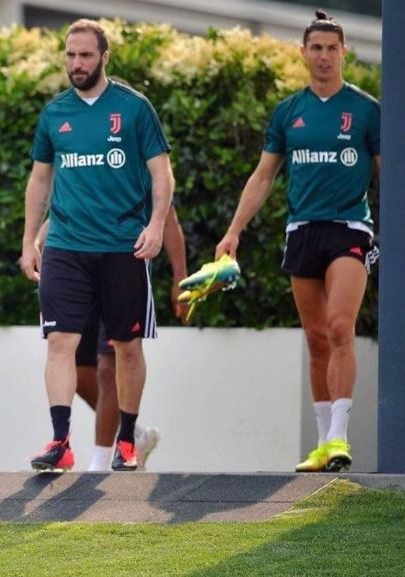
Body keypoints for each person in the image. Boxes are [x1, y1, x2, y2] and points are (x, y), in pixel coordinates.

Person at [215, 10, 380, 473]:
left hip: (350, 228)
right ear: (303, 53)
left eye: (332, 48)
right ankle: (323, 444)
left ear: (344, 52)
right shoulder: (288, 112)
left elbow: (388, 175)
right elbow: (263, 175)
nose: (324, 56)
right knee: (316, 339)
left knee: (340, 327)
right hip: (301, 230)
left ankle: (339, 437)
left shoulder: (366, 110)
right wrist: (233, 231)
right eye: (317, 48)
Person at [20, 19, 175, 472]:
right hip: (66, 247)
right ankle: (59, 442)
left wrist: (156, 225)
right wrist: (29, 240)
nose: (77, 63)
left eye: (85, 55)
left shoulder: (134, 108)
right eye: (70, 55)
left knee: (126, 346)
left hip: (124, 246)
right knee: (59, 342)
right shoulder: (55, 113)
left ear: (104, 57)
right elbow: (40, 179)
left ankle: (128, 440)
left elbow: (162, 172)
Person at [77, 205, 188, 471]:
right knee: (78, 374)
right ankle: (135, 433)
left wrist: (180, 277)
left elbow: (168, 216)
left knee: (108, 368)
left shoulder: (143, 176)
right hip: (80, 265)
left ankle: (100, 464)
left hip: (122, 263)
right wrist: (35, 242)